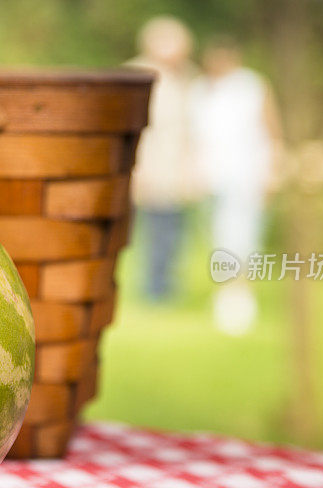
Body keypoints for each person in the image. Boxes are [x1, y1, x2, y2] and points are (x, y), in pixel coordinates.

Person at [189, 36, 282, 334]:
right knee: (219, 237)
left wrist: (273, 169)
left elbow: (271, 131)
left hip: (247, 174)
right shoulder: (200, 90)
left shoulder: (253, 86)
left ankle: (239, 296)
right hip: (211, 177)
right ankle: (227, 294)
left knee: (242, 236)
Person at [127, 17, 200, 301]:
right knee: (143, 234)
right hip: (146, 167)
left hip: (175, 170)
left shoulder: (189, 78)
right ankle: (153, 289)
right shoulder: (137, 75)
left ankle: (163, 287)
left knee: (170, 233)